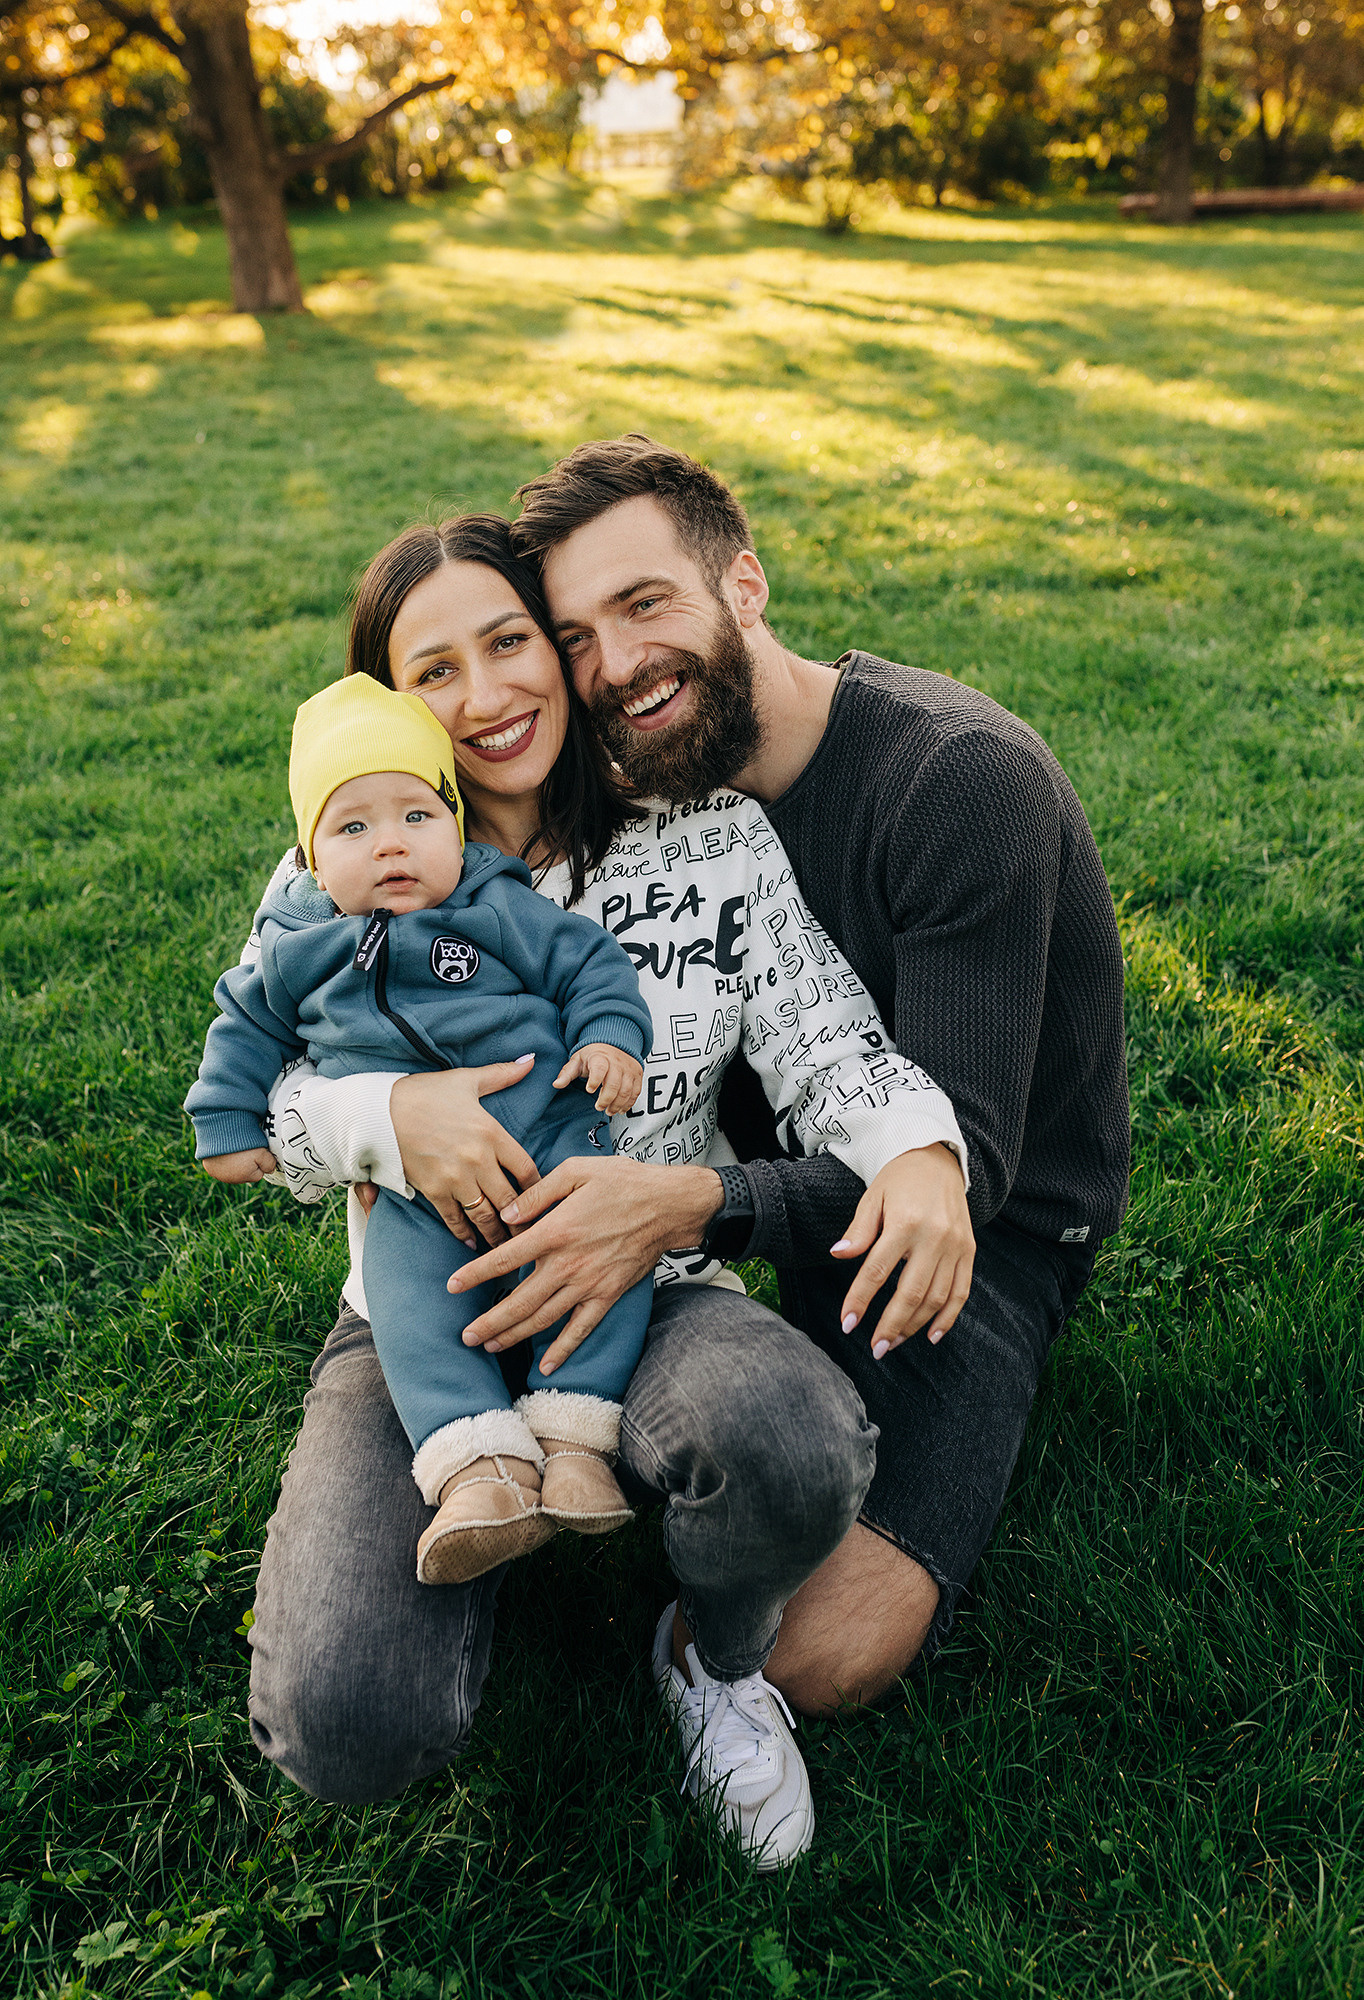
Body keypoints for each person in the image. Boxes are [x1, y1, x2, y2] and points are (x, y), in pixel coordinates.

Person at [242, 514, 975, 1871]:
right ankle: (481, 1518)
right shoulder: (342, 867)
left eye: (510, 642)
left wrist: (922, 1152)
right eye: (433, 671)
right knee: (347, 1729)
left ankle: (715, 1658)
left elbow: (825, 1044)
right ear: (383, 702)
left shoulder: (710, 841)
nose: (487, 694)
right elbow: (261, 1118)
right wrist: (382, 1117)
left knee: (791, 1442)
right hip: (424, 1308)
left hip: (658, 1289)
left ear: (556, 647)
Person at [185, 673, 656, 1585]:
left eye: (415, 816)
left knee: (602, 1265)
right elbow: (241, 1027)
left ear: (455, 826)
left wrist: (609, 1036)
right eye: (351, 827)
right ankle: (477, 1465)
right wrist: (226, 1116)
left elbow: (589, 964)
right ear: (312, 857)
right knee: (408, 1306)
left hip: (552, 1138)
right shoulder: (300, 949)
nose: (389, 845)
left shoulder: (497, 905)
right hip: (411, 1187)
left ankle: (575, 1439)